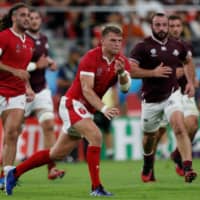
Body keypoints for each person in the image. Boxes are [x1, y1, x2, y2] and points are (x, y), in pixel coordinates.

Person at [4, 24, 132, 196]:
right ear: (102, 41)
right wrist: (103, 108)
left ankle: (14, 173)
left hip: (87, 110)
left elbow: (125, 88)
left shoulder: (121, 61)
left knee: (56, 154)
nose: (117, 44)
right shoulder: (91, 57)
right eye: (113, 40)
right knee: (96, 135)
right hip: (73, 103)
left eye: (119, 41)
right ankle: (96, 187)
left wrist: (123, 73)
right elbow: (86, 89)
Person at [129, 13, 197, 183]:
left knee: (180, 127)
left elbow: (188, 61)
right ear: (152, 26)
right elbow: (130, 70)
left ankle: (187, 168)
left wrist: (189, 82)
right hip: (151, 99)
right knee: (150, 138)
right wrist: (153, 73)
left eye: (164, 25)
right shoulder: (142, 46)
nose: (161, 28)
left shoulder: (177, 45)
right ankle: (147, 165)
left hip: (172, 94)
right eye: (157, 25)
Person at [25, 9, 65, 179]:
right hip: (21, 91)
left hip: (41, 90)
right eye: (30, 18)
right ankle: (6, 171)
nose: (34, 21)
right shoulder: (22, 40)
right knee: (13, 133)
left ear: (41, 21)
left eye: (36, 18)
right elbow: (17, 67)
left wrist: (49, 62)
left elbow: (41, 59)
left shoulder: (43, 39)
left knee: (49, 126)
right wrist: (37, 66)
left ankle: (51, 169)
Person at [0, 3, 34, 188]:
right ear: (13, 18)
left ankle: (6, 177)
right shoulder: (3, 37)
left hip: (17, 93)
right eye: (22, 15)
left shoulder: (29, 42)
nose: (26, 18)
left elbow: (23, 70)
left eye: (28, 15)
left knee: (12, 133)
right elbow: (16, 69)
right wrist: (14, 71)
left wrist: (27, 86)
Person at [166, 14, 198, 176]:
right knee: (154, 133)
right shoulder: (160, 47)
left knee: (193, 123)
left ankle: (178, 155)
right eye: (172, 26)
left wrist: (193, 81)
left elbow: (189, 66)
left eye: (178, 26)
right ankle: (148, 167)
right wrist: (174, 72)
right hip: (166, 94)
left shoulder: (186, 46)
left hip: (184, 91)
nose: (175, 29)